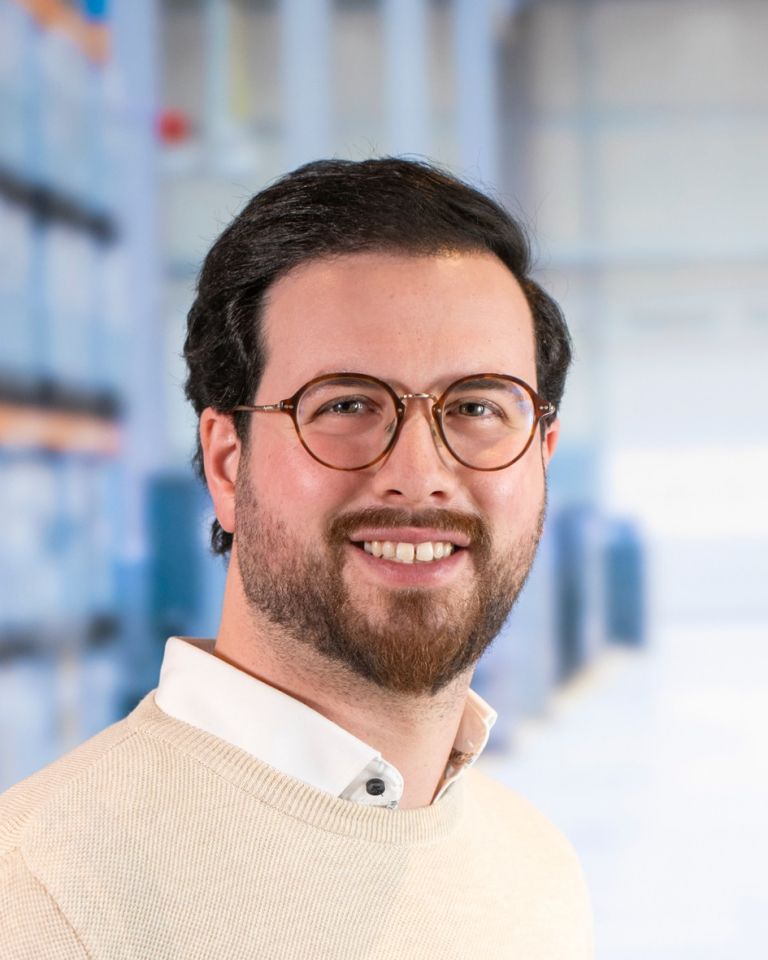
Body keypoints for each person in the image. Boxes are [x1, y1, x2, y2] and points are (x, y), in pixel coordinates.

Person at [0, 158, 593, 958]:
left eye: (478, 406)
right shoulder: (44, 896)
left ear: (541, 456)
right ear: (225, 463)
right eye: (345, 404)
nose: (420, 472)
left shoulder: (535, 871)